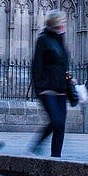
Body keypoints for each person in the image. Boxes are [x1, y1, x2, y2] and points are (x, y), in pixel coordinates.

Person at [29, 11, 71, 157]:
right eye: (63, 21)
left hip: (61, 90)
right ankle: (38, 142)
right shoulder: (43, 40)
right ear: (56, 23)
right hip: (47, 90)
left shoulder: (60, 40)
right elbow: (36, 66)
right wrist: (39, 88)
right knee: (56, 121)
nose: (65, 24)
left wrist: (70, 80)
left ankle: (56, 157)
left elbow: (63, 65)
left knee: (60, 126)